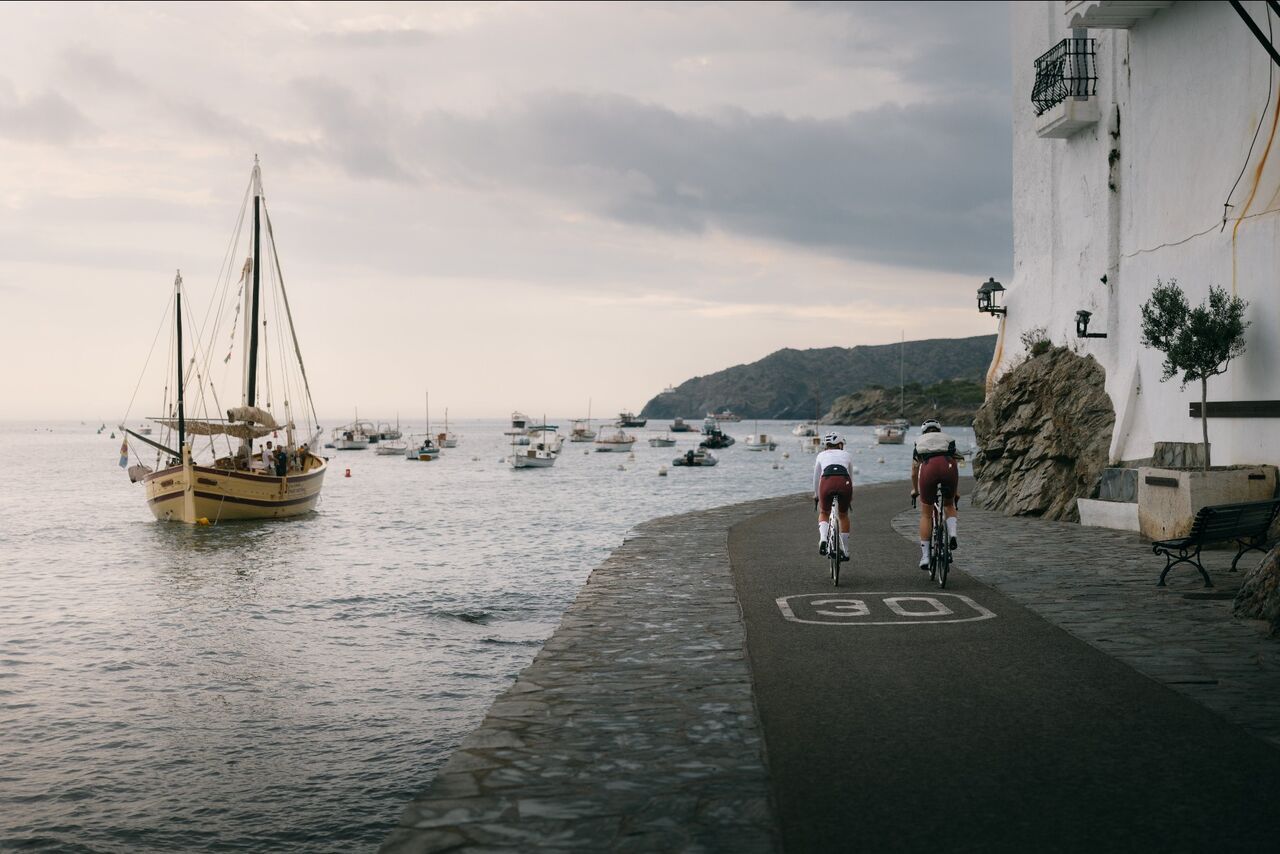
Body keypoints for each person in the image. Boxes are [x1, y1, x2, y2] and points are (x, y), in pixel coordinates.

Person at [910, 418, 961, 570]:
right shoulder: (948, 439)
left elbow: (914, 471)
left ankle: (926, 557)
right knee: (949, 504)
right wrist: (955, 492)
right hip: (948, 466)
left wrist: (915, 490)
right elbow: (955, 464)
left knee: (926, 513)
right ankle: (952, 534)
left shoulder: (919, 441)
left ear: (923, 432)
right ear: (939, 430)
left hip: (928, 468)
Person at [812, 431, 854, 559]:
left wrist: (816, 495)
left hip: (826, 482)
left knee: (824, 512)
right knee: (843, 515)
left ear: (826, 445)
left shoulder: (821, 455)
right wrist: (850, 496)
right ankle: (845, 551)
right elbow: (850, 476)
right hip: (844, 482)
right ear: (840, 444)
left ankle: (823, 539)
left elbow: (816, 477)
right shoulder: (847, 455)